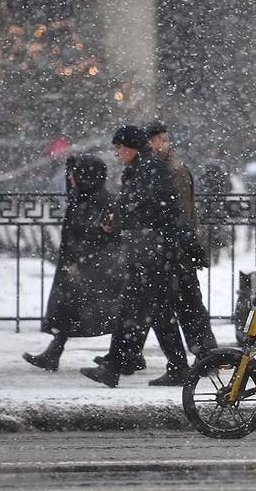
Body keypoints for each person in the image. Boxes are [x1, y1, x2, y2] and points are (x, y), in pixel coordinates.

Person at [79, 125, 207, 388]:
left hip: (155, 252)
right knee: (150, 310)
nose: (116, 154)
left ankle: (124, 367)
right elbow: (143, 206)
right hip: (151, 250)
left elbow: (152, 208)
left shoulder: (150, 169)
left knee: (148, 310)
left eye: (118, 148)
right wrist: (119, 218)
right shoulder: (144, 168)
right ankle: (133, 366)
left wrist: (122, 216)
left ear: (130, 147)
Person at [22, 154, 120, 372]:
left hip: (92, 266)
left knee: (106, 311)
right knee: (71, 309)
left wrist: (79, 260)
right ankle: (55, 352)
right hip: (80, 264)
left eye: (75, 175)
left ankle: (124, 355)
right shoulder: (82, 199)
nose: (71, 179)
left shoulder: (97, 202)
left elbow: (97, 235)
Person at [197, 159, 233, 264]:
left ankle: (209, 255)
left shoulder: (203, 178)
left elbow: (199, 189)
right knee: (218, 233)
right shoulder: (222, 178)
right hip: (218, 210)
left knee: (207, 233)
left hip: (207, 210)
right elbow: (229, 188)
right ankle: (216, 254)